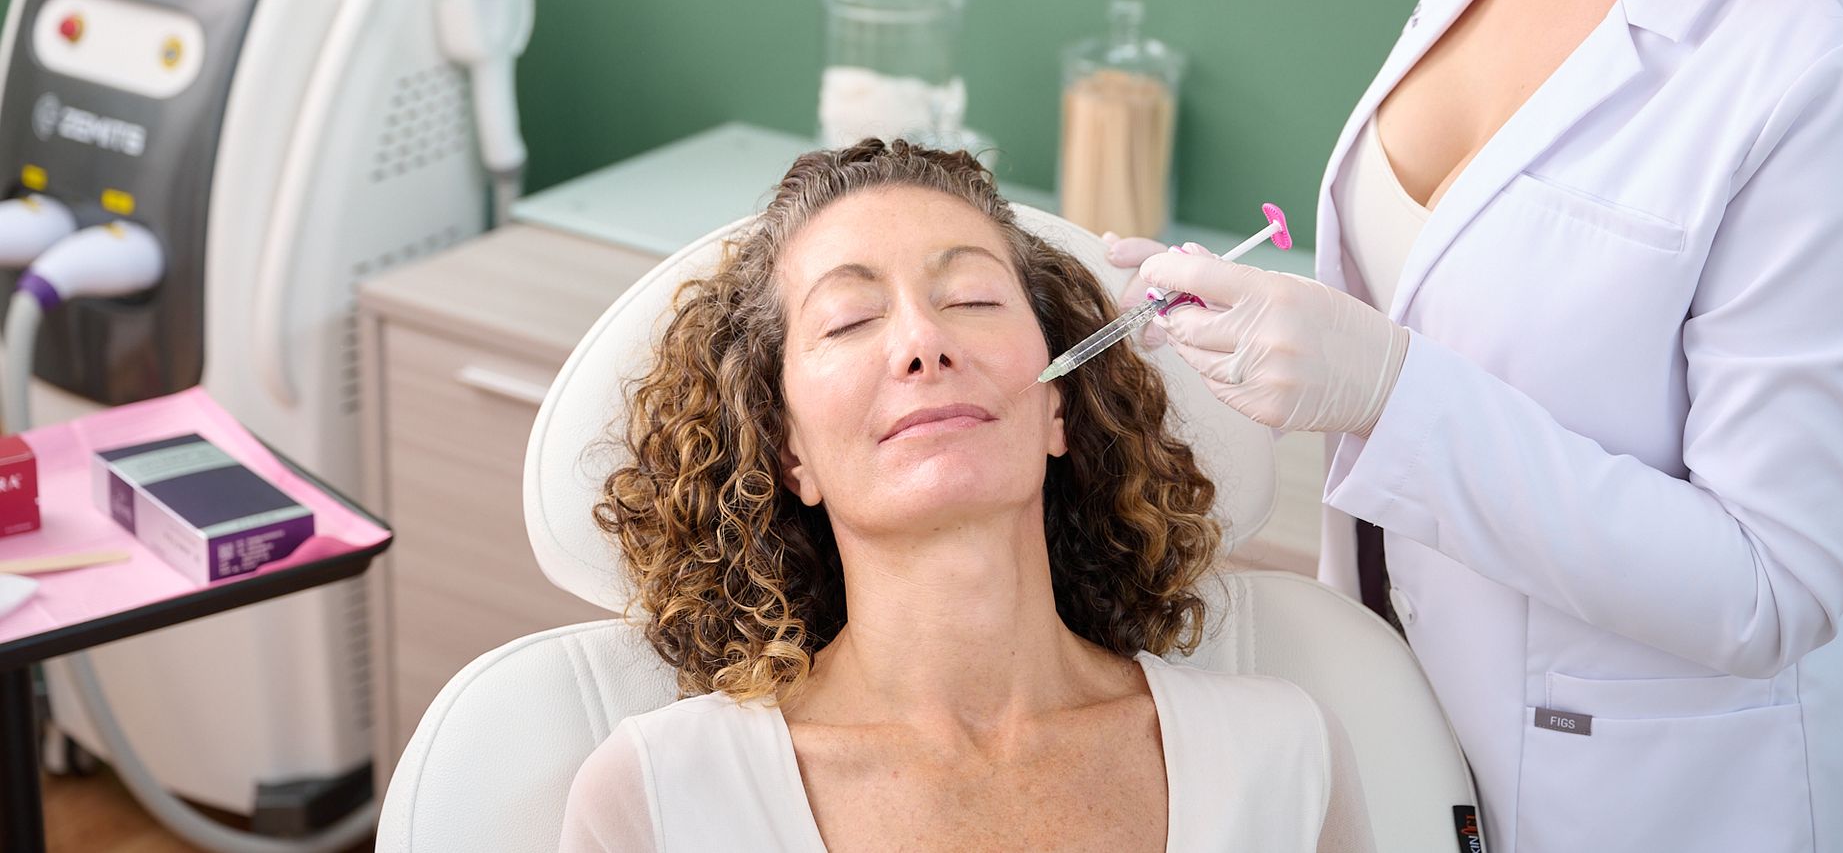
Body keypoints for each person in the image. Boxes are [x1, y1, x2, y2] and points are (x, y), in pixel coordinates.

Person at [1108, 0, 1843, 850]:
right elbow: (1477, 274)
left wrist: (1386, 392)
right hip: (1420, 731)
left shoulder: (1838, 65)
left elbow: (1773, 584)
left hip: (1678, 801)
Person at [557, 141, 1376, 851]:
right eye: (848, 321)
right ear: (788, 451)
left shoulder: (1284, 757)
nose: (923, 343)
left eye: (973, 300)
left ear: (1059, 404)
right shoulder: (660, 796)